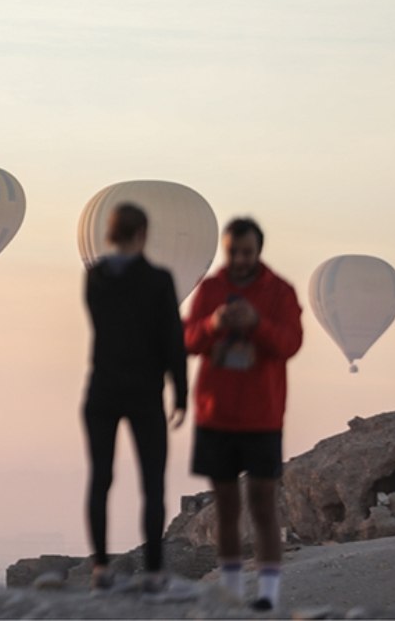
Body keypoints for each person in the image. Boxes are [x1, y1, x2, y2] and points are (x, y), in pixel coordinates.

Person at [183, 217, 303, 611]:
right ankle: (232, 590)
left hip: (262, 416)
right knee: (226, 506)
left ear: (258, 251)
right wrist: (213, 323)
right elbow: (187, 339)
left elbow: (290, 343)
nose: (238, 259)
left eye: (245, 252)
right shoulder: (211, 289)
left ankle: (268, 593)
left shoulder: (280, 291)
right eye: (232, 252)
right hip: (215, 414)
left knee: (263, 505)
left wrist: (258, 325)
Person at [83, 202, 188, 592]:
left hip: (103, 388)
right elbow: (172, 340)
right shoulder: (158, 281)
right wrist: (181, 391)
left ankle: (99, 566)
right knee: (152, 482)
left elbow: (102, 324)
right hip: (145, 391)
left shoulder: (96, 277)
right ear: (143, 233)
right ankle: (155, 569)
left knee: (100, 478)